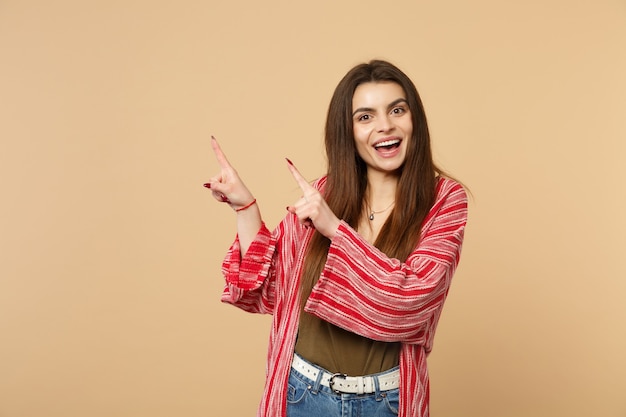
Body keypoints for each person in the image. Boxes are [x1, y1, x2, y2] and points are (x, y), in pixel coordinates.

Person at [204, 59, 468, 417]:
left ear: (414, 119)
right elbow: (268, 288)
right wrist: (245, 208)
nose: (385, 126)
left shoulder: (445, 200)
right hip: (302, 395)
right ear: (348, 131)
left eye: (397, 110)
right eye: (365, 116)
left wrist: (335, 231)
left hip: (387, 402)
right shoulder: (324, 193)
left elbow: (411, 304)